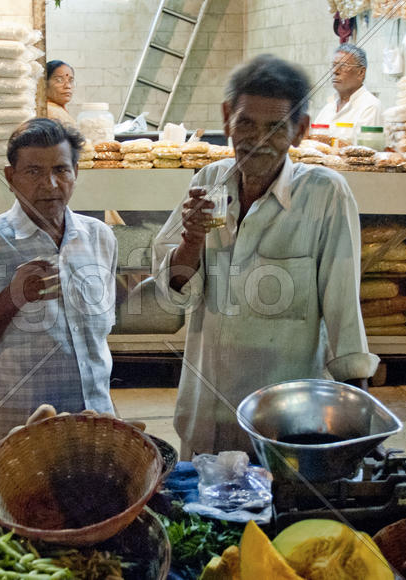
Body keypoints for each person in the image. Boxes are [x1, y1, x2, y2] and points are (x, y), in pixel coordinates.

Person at [152, 54, 379, 457]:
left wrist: (356, 423)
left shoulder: (325, 194)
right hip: (207, 409)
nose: (257, 140)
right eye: (245, 123)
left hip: (285, 418)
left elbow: (343, 309)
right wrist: (191, 240)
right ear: (227, 118)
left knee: (277, 513)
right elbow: (174, 296)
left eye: (275, 127)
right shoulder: (209, 180)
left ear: (300, 131)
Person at [0, 118, 117, 441]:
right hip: (21, 434)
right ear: (11, 177)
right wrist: (13, 297)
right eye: (34, 172)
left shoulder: (99, 237)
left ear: (76, 173)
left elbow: (99, 337)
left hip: (97, 421)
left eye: (61, 170)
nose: (50, 184)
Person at [313, 43, 382, 129]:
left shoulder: (370, 108)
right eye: (333, 65)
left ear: (361, 73)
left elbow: (367, 142)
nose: (335, 71)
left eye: (343, 66)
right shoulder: (328, 108)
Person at [45, 60, 76, 127]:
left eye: (71, 81)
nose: (68, 86)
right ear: (44, 84)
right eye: (59, 80)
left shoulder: (58, 109)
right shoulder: (50, 111)